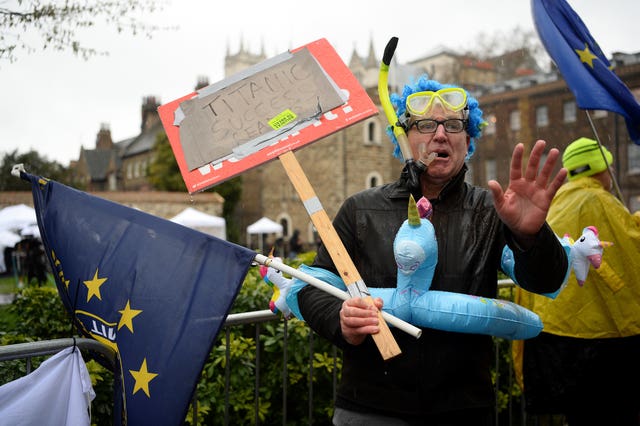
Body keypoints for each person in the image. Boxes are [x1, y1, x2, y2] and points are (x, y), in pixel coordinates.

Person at [294, 76, 569, 425]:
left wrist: (532, 236)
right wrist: (340, 319)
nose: (440, 134)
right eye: (426, 125)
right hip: (369, 406)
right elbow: (312, 287)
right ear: (404, 139)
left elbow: (546, 281)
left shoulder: (490, 210)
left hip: (464, 408)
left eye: (453, 125)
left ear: (467, 141)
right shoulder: (360, 209)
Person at [518, 137, 640, 425]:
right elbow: (631, 252)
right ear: (601, 170)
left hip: (556, 332)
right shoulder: (598, 199)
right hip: (601, 341)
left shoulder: (557, 200)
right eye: (608, 168)